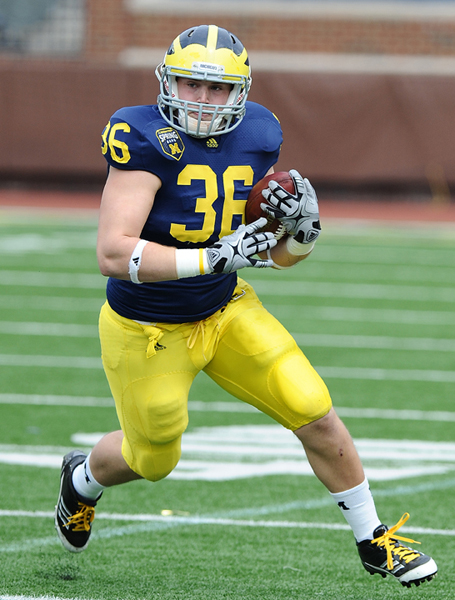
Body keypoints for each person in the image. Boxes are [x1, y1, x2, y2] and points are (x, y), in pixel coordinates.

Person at [55, 24, 437, 588]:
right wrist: (215, 256)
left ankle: (374, 539)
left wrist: (301, 236)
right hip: (147, 326)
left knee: (314, 410)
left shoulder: (258, 133)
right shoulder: (140, 135)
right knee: (154, 458)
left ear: (240, 91)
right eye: (191, 84)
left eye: (217, 88)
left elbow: (273, 257)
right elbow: (113, 253)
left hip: (226, 307)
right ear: (167, 81)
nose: (202, 100)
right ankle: (83, 479)